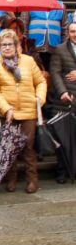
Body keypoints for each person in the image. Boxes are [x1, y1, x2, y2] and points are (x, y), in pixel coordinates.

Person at [0, 29, 47, 193]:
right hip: (8, 112)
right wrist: (6, 108)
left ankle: (32, 180)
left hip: (28, 110)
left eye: (10, 44)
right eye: (3, 45)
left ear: (16, 45)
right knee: (9, 146)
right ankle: (11, 179)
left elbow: (41, 82)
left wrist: (39, 99)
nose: (6, 48)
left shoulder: (28, 61)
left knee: (28, 147)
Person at [49, 21, 76, 183]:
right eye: (72, 31)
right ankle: (62, 171)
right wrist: (62, 92)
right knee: (63, 137)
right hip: (66, 100)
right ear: (68, 33)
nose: (75, 34)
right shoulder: (60, 49)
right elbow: (55, 72)